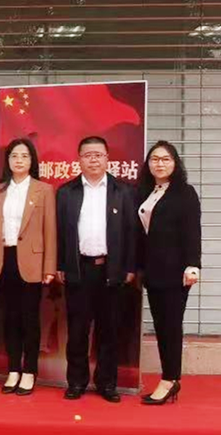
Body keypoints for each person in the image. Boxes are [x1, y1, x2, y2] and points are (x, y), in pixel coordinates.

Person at [57, 136, 138, 403]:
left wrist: (129, 266)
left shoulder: (123, 191)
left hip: (111, 270)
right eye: (87, 155)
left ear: (107, 158)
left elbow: (132, 233)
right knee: (77, 330)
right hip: (79, 269)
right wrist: (60, 265)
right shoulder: (66, 192)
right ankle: (76, 382)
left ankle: (107, 383)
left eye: (98, 154)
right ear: (79, 159)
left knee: (109, 330)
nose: (93, 159)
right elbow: (59, 233)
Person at [137, 141, 201, 405]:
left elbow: (192, 231)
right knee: (161, 326)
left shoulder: (185, 193)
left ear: (175, 163)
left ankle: (170, 379)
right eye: (154, 159)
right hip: (152, 271)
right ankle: (169, 377)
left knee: (171, 326)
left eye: (165, 159)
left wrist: (193, 265)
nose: (159, 164)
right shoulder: (146, 191)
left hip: (176, 272)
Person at [0, 138, 56, 396]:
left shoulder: (44, 190)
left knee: (30, 319)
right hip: (4, 260)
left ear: (32, 161)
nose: (19, 160)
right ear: (7, 161)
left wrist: (49, 266)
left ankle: (29, 371)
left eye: (24, 156)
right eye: (14, 156)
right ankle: (13, 370)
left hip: (32, 262)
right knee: (9, 319)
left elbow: (50, 230)